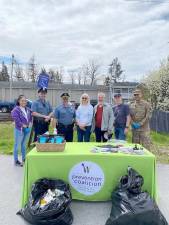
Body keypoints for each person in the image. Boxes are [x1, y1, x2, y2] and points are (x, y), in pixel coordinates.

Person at [11, 95, 32, 166]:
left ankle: (24, 159)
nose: (24, 102)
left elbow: (31, 115)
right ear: (19, 101)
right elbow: (17, 120)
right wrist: (24, 125)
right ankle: (16, 160)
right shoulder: (15, 110)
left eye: (25, 100)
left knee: (23, 145)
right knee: (17, 146)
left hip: (26, 129)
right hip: (19, 130)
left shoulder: (28, 109)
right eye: (22, 100)